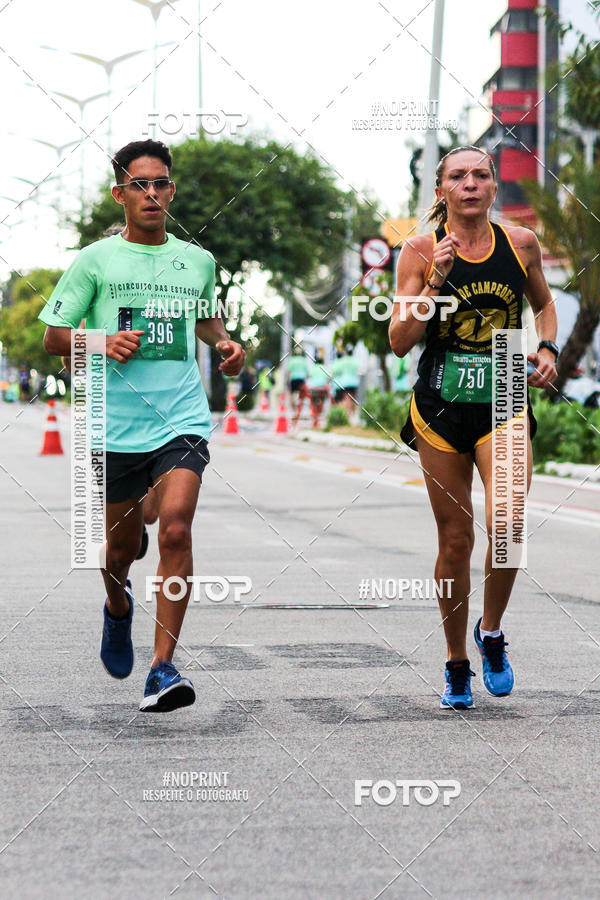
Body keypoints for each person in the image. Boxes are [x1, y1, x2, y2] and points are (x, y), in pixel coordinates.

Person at [40, 139, 245, 712]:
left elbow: (206, 321)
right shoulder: (95, 260)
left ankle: (163, 667)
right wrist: (102, 341)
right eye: (140, 185)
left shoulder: (196, 261)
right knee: (122, 548)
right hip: (113, 426)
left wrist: (226, 344)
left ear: (171, 192)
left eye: (160, 184)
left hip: (180, 416)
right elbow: (55, 337)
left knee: (175, 529)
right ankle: (117, 606)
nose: (152, 194)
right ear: (120, 194)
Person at [389, 145, 558, 710]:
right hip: (441, 401)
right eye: (457, 176)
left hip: (507, 389)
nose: (469, 184)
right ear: (440, 191)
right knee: (456, 540)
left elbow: (543, 305)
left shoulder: (521, 244)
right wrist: (434, 281)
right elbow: (398, 341)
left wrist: (549, 348)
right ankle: (456, 663)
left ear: (493, 187)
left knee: (508, 527)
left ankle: (491, 632)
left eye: (480, 175)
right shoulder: (417, 250)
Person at [330, 345, 361, 423]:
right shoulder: (355, 360)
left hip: (344, 382)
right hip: (354, 383)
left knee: (345, 399)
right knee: (353, 399)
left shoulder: (343, 361)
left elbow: (335, 371)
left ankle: (347, 415)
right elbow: (359, 369)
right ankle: (353, 415)